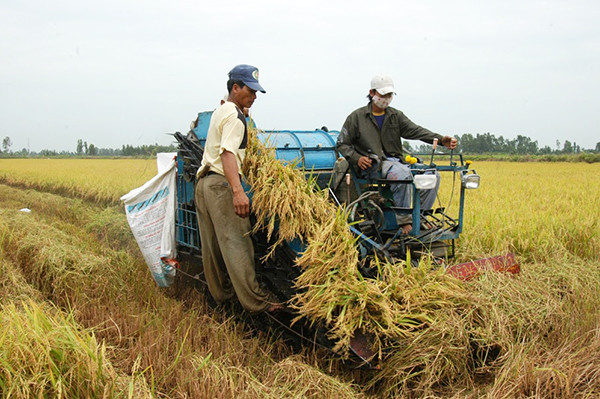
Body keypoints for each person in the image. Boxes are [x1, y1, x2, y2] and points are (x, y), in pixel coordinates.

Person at [195, 64, 283, 313]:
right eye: (250, 90)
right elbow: (228, 153)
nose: (254, 96)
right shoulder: (235, 117)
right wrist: (237, 191)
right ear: (236, 88)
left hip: (203, 184)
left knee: (212, 249)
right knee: (237, 244)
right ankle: (257, 303)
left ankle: (223, 298)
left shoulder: (221, 110)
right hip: (221, 186)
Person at [336, 74, 458, 233]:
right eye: (382, 95)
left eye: (389, 95)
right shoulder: (357, 117)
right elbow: (342, 143)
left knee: (432, 174)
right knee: (402, 173)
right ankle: (404, 220)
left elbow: (416, 130)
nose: (386, 99)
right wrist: (357, 158)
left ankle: (420, 216)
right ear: (372, 93)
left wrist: (441, 140)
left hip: (396, 161)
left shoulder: (395, 116)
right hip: (373, 165)